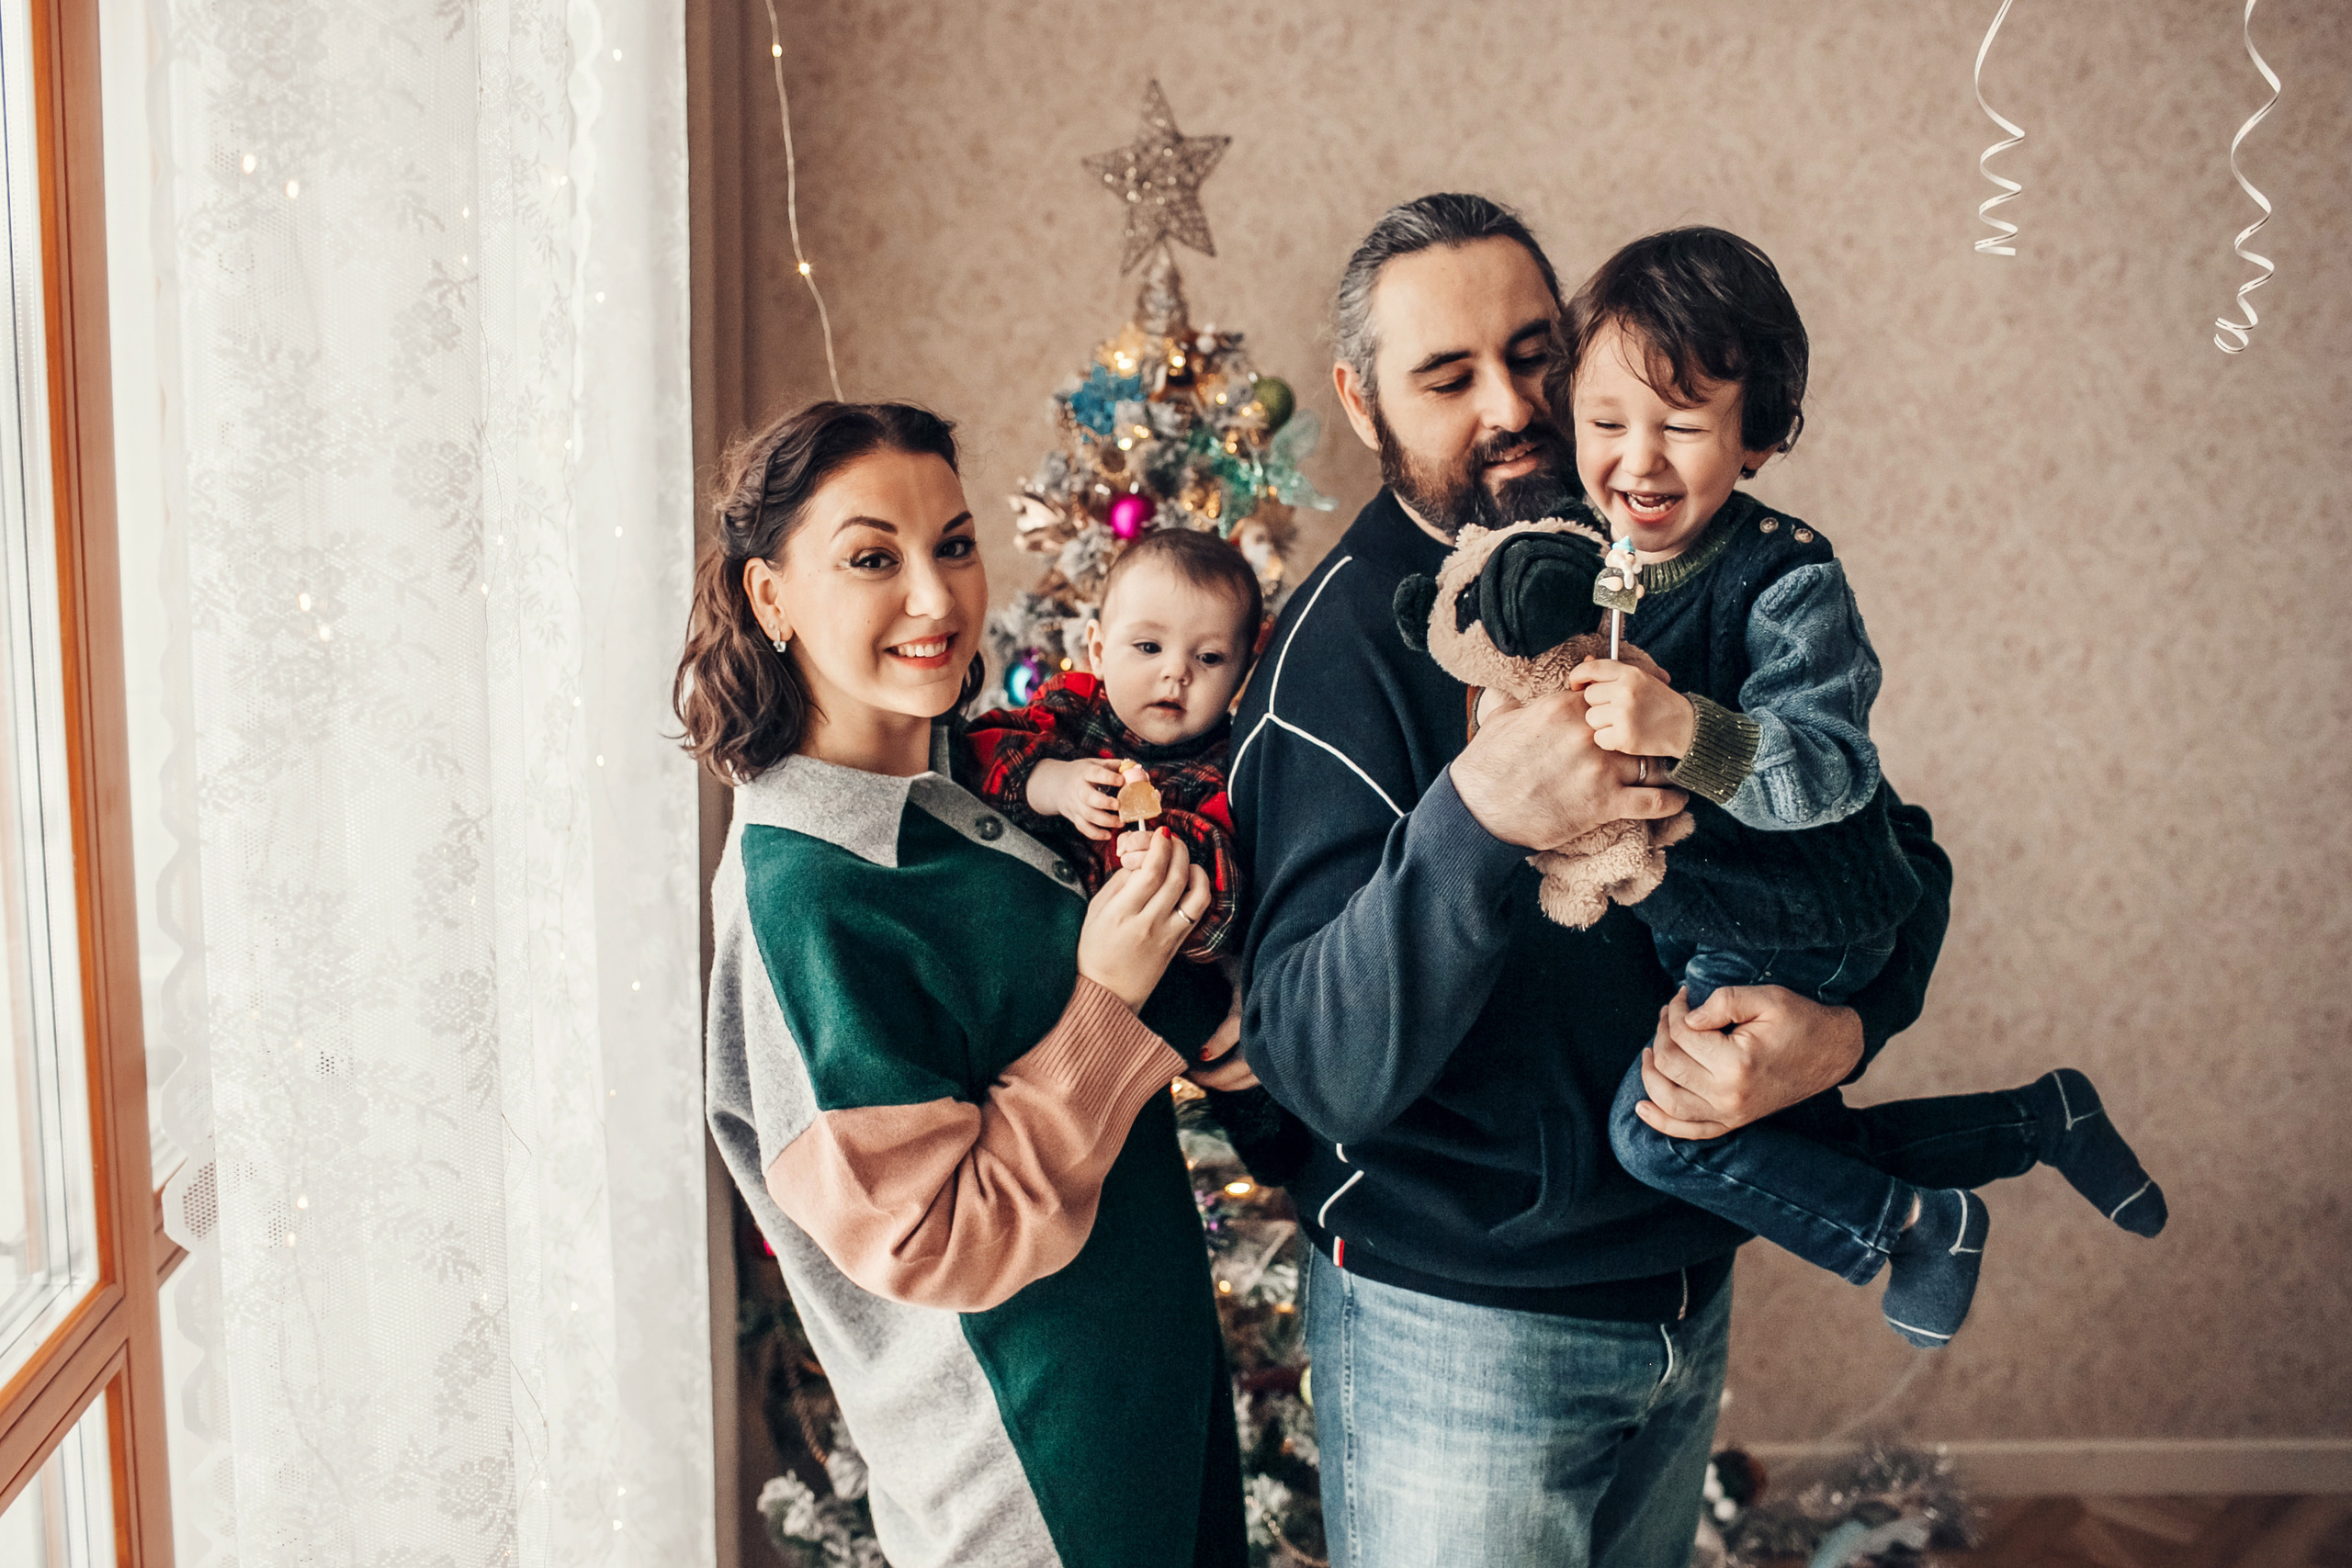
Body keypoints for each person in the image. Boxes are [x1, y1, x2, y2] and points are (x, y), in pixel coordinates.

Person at [1228, 195, 1953, 1568]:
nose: (1511, 408)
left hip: (1683, 1294)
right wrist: (1481, 811)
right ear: (1360, 398)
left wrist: (1844, 1032)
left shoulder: (1686, 572)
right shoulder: (1337, 659)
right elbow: (1309, 1056)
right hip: (1460, 1335)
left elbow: (1893, 855)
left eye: (1533, 355)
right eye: (1448, 378)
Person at [1547, 227, 2167, 1350]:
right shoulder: (1592, 553)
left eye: (1681, 428)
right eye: (1606, 423)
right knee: (1795, 1144)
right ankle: (2042, 1118)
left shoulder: (1787, 579)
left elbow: (1831, 771)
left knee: (1662, 1135)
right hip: (1711, 914)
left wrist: (1686, 730)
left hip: (1807, 909)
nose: (1637, 460)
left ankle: (1916, 1231)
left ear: (1756, 440)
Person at [682, 400, 1250, 1568]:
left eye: (952, 544)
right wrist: (1109, 1003)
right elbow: (939, 1237)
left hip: (1146, 1423)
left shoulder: (971, 791)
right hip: (1026, 1488)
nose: (936, 599)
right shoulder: (804, 892)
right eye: (872, 559)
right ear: (769, 597)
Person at [966, 525, 1312, 1183]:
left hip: (1173, 992)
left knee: (1233, 1056)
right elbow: (970, 756)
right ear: (1098, 647)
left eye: (1209, 658)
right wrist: (1051, 783)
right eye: (1147, 646)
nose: (1174, 671)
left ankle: (1258, 1118)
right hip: (1043, 961)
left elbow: (1226, 911)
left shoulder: (1226, 767)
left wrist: (1167, 855)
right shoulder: (1072, 718)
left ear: (1243, 670)